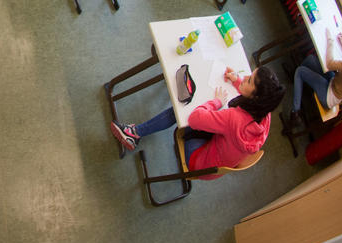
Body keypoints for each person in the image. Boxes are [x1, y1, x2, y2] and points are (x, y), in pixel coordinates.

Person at [111, 67, 285, 176]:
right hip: (218, 158)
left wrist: (216, 103)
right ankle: (135, 133)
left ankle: (133, 134)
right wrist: (238, 82)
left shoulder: (235, 119)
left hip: (200, 161)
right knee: (197, 109)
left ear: (256, 97)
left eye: (249, 80)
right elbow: (246, 100)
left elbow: (195, 120)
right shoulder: (264, 115)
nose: (245, 76)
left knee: (183, 112)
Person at [290, 22, 342, 124]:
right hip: (334, 84)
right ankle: (297, 81)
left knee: (300, 71)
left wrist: (330, 41)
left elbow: (330, 64)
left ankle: (295, 112)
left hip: (330, 96)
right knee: (311, 60)